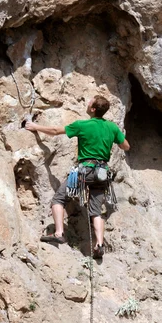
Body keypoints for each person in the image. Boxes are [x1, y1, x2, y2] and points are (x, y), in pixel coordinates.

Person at [25, 95, 130, 258]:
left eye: (89, 102)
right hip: (102, 173)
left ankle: (59, 233)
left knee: (59, 199)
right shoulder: (112, 128)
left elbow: (55, 131)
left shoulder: (82, 125)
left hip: (85, 170)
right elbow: (126, 146)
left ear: (93, 109)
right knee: (96, 211)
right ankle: (99, 244)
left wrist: (34, 126)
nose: (87, 103)